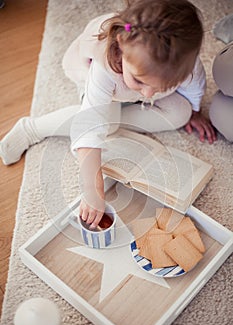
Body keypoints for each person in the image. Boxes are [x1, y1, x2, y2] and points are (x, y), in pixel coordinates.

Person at [0, 0, 216, 228]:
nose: (149, 93)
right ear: (121, 46)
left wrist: (194, 111)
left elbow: (195, 85)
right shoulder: (104, 66)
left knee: (180, 113)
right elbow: (89, 125)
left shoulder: (185, 64)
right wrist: (93, 189)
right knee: (103, 124)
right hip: (98, 81)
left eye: (162, 86)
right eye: (139, 81)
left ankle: (112, 118)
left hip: (128, 88)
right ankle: (31, 128)